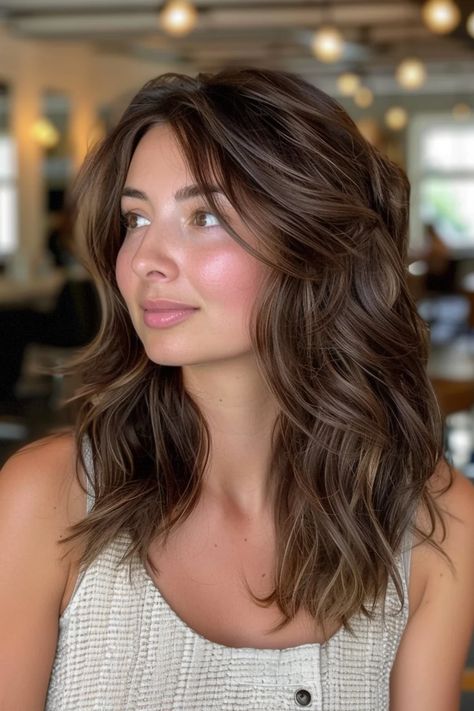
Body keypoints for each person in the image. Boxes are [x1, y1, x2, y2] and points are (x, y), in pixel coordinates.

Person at [1, 67, 473, 711]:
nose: (145, 259)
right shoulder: (45, 501)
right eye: (136, 219)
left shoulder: (438, 526)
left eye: (204, 216)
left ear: (314, 244)